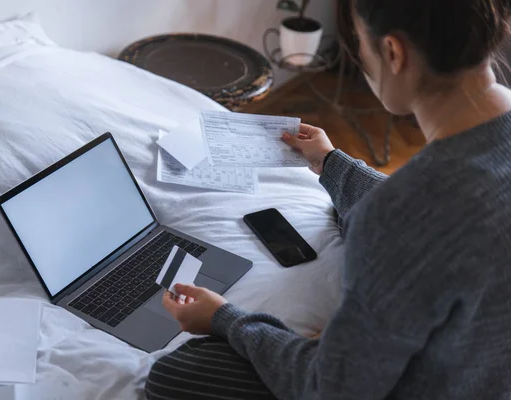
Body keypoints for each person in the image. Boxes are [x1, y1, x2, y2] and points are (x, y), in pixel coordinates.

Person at [145, 0, 511, 398]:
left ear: (392, 52)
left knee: (175, 375)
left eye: (359, 45)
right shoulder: (424, 202)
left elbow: (331, 390)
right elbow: (439, 219)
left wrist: (224, 319)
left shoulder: (399, 214)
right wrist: (330, 163)